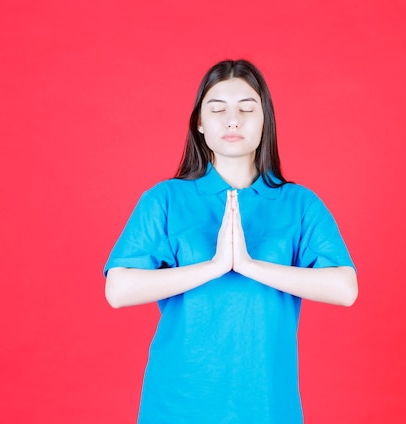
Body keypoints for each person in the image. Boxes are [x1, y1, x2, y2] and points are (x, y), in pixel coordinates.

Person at [104, 59, 358, 423]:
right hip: (178, 402)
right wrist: (214, 267)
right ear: (200, 124)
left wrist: (250, 266)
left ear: (264, 121)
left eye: (246, 108)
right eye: (218, 108)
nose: (232, 120)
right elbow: (118, 289)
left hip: (269, 405)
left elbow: (345, 288)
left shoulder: (299, 204)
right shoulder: (165, 199)